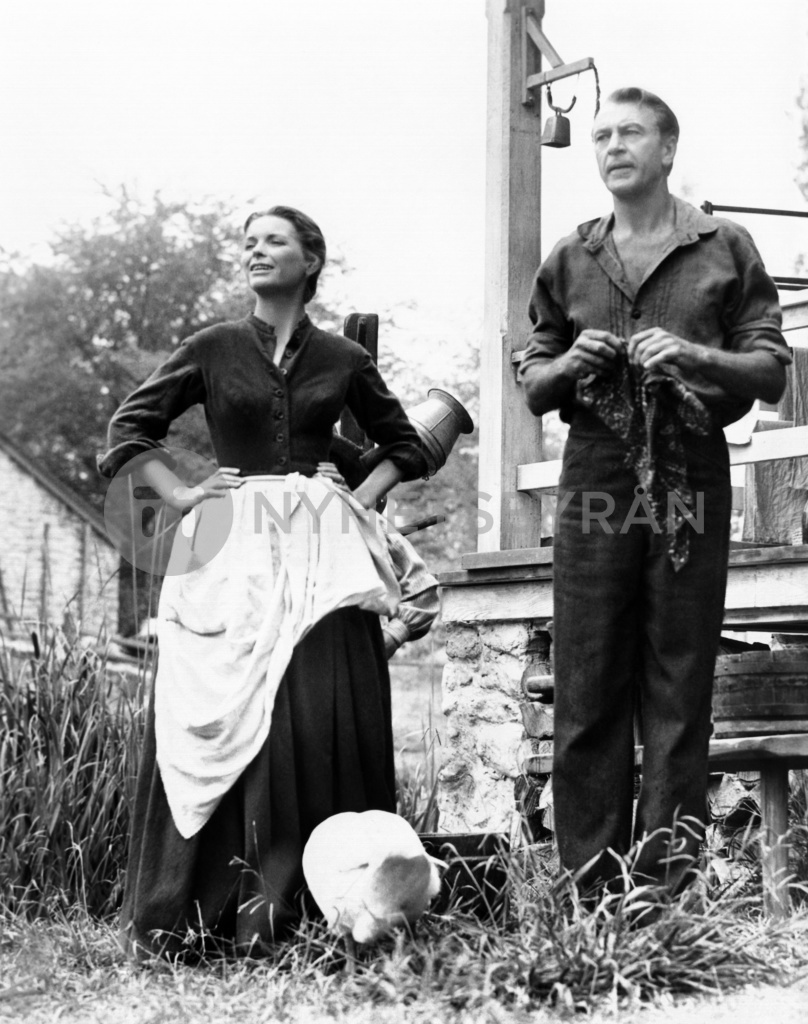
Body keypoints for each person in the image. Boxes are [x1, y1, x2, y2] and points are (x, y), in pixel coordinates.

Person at [98, 205, 430, 957]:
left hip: (319, 553)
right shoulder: (213, 348)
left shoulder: (343, 358)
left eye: (272, 241)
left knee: (310, 707)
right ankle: (203, 911)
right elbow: (130, 428)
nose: (254, 251)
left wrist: (354, 498)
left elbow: (407, 445)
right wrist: (183, 496)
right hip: (229, 550)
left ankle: (324, 907)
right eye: (247, 243)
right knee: (218, 707)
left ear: (310, 259)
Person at [518, 88, 791, 898]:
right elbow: (534, 380)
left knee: (679, 686)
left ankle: (663, 900)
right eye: (600, 135)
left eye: (630, 132)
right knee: (588, 683)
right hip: (595, 481)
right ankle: (588, 897)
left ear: (668, 149)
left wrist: (694, 357)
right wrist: (572, 366)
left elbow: (772, 370)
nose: (611, 146)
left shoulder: (723, 246)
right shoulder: (572, 256)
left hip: (690, 477)